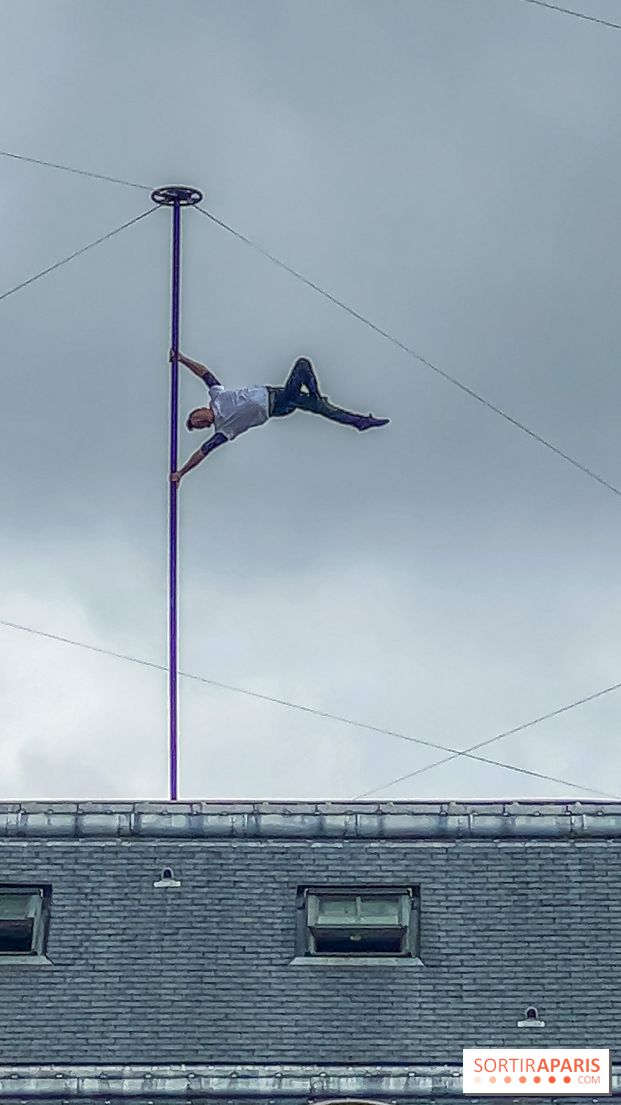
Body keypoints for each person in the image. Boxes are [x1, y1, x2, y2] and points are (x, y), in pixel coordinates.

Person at [169, 351, 389, 484]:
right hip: (278, 405)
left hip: (274, 392)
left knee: (315, 395)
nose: (199, 422)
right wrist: (181, 473)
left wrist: (181, 358)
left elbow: (203, 372)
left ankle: (358, 421)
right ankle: (321, 401)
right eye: (198, 426)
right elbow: (202, 452)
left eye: (196, 418)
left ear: (200, 409)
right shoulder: (224, 429)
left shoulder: (217, 396)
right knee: (302, 366)